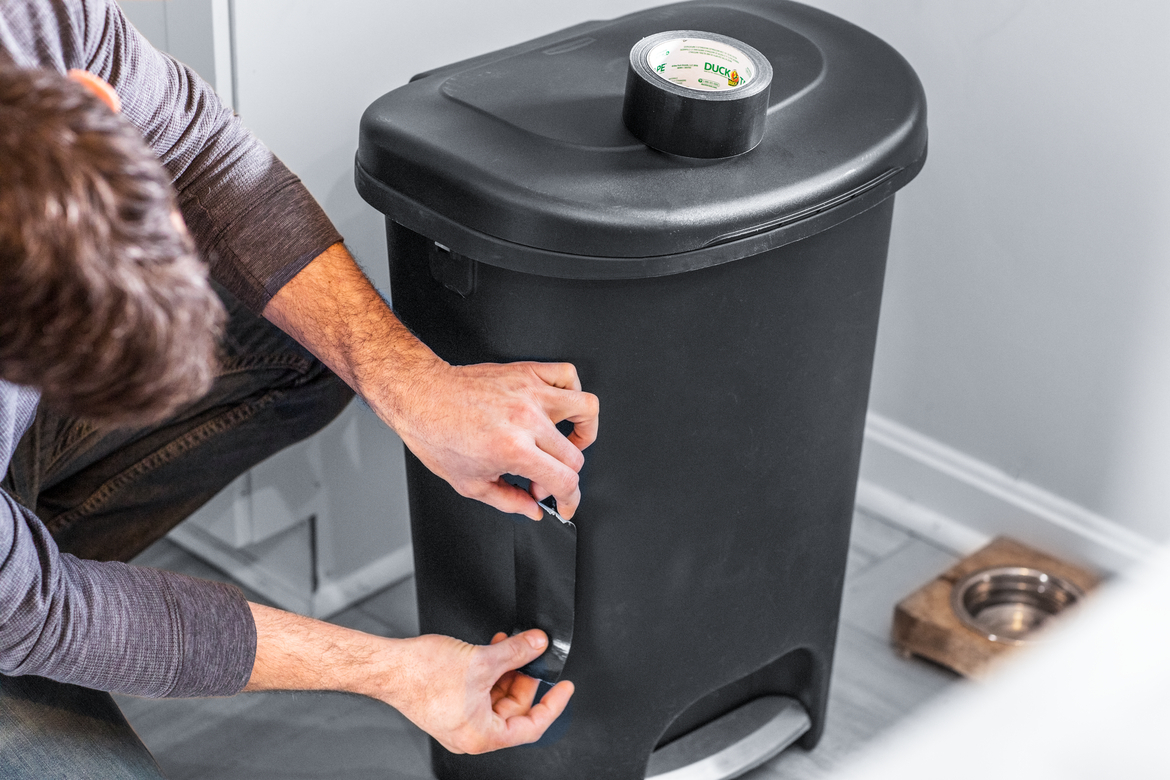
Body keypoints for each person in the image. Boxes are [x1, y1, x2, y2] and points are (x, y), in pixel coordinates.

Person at [0, 0, 598, 776]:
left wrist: (411, 382)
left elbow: (202, 152)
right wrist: (394, 673)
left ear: (94, 100)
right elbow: (40, 614)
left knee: (290, 334)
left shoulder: (33, 24)